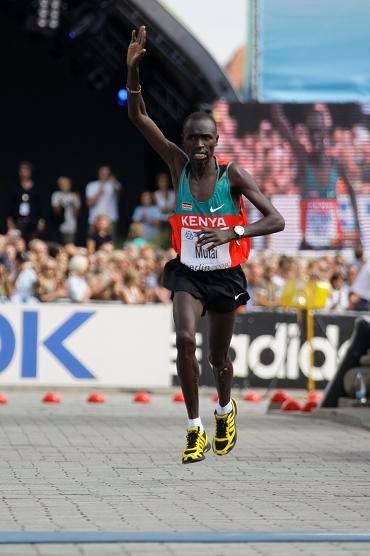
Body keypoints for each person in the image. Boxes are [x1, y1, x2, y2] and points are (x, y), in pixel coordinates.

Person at [127, 26, 285, 464]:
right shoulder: (176, 162)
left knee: (219, 359)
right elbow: (139, 118)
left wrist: (233, 232)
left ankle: (223, 409)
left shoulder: (232, 177)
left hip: (225, 277)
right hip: (187, 274)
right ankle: (194, 427)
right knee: (182, 339)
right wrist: (133, 73)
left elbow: (276, 219)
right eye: (192, 137)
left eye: (205, 138)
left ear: (217, 142)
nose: (197, 144)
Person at [271, 105, 361, 250]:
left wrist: (359, 229)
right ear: (306, 136)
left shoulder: (336, 163)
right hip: (309, 245)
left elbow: (352, 194)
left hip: (334, 244)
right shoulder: (303, 159)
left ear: (326, 133)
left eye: (318, 132)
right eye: (311, 133)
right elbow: (279, 120)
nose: (315, 137)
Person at [7, 162, 45, 244]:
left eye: (26, 171)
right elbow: (9, 206)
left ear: (30, 172)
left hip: (33, 221)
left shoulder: (36, 187)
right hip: (18, 220)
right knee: (18, 243)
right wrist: (10, 223)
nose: (24, 173)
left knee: (32, 242)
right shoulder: (15, 186)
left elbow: (41, 206)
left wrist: (41, 221)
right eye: (22, 171)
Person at [85, 166, 121, 240]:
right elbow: (88, 203)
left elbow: (120, 195)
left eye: (106, 173)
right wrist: (99, 192)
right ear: (99, 173)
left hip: (110, 218)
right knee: (92, 241)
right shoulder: (92, 185)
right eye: (102, 173)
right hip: (94, 218)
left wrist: (114, 183)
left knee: (110, 242)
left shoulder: (114, 184)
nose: (104, 175)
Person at [51, 176, 81, 245]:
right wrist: (60, 203)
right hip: (58, 225)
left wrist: (73, 204)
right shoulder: (56, 195)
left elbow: (77, 214)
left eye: (67, 184)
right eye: (63, 184)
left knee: (70, 245)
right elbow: (56, 212)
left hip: (71, 226)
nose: (65, 186)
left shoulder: (74, 196)